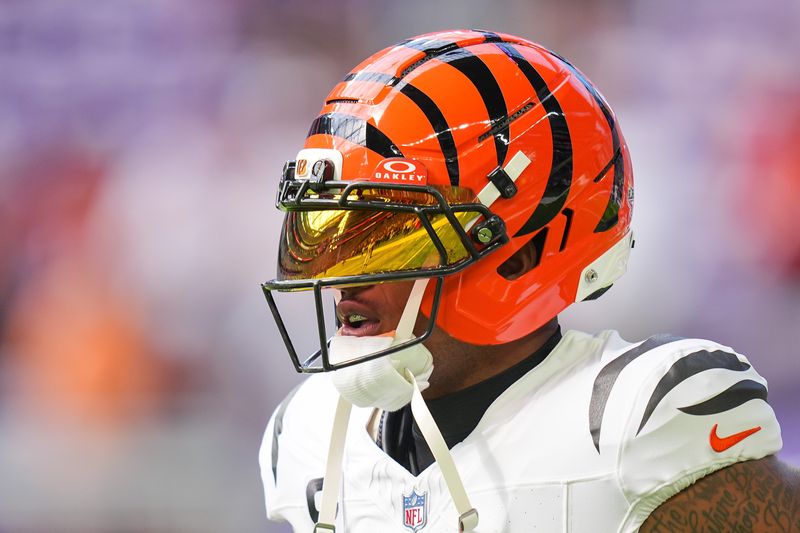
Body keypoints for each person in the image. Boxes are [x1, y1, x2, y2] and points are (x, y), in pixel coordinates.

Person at [258, 29, 799, 532]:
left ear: (521, 255)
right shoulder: (308, 431)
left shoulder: (628, 420)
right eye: (329, 233)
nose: (340, 281)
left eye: (388, 240)